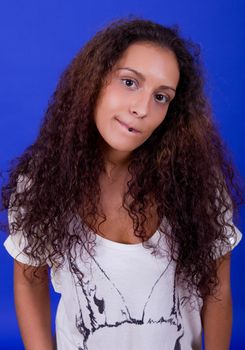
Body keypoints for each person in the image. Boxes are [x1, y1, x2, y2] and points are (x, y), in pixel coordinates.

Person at [1, 18, 243, 350]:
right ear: (94, 80)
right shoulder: (43, 182)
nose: (142, 108)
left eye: (161, 97)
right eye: (129, 82)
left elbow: (218, 289)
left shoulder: (198, 184)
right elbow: (29, 280)